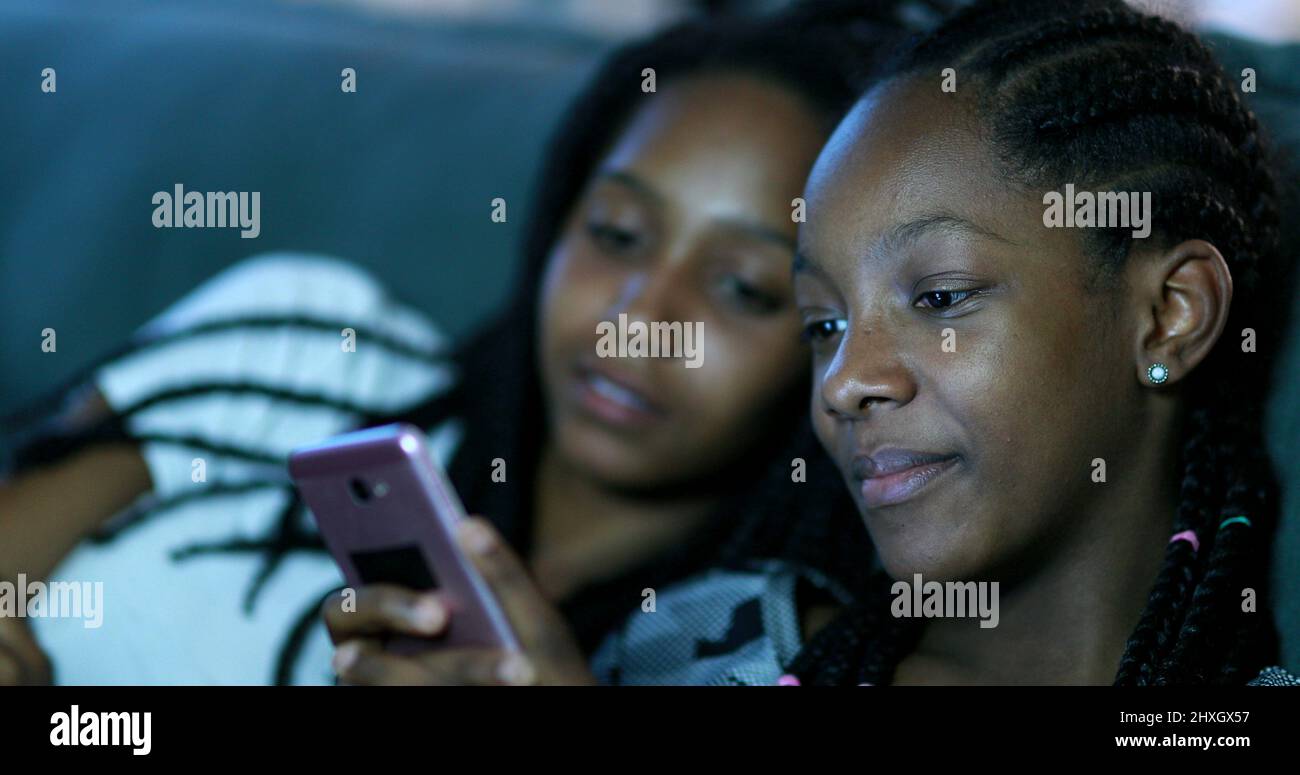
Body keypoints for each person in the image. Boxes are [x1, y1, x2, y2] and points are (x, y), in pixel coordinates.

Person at [0, 3, 915, 685]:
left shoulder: (752, 650)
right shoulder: (306, 344)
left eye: (744, 287)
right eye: (617, 233)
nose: (638, 315)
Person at [596, 0, 1300, 686]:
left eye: (939, 298)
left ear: (1170, 313)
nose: (843, 382)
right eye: (824, 326)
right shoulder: (696, 646)